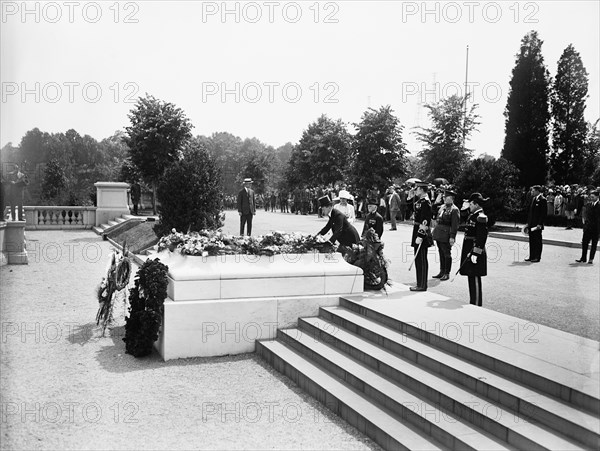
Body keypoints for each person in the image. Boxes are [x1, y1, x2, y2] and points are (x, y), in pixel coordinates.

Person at [459, 193, 489, 307]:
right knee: (470, 274)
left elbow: (482, 236)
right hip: (469, 247)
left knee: (475, 276)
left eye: (471, 204)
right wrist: (464, 207)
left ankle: (476, 303)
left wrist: (476, 252)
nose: (469, 206)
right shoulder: (473, 214)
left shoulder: (480, 216)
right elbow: (463, 218)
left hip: (474, 248)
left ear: (476, 204)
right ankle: (473, 301)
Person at [432, 190, 460, 281]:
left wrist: (452, 236)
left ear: (451, 199)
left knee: (446, 253)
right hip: (439, 233)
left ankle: (447, 273)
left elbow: (454, 225)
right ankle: (442, 271)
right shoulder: (443, 207)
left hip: (446, 234)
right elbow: (433, 212)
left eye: (446, 197)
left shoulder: (454, 210)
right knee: (441, 252)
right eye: (444, 197)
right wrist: (436, 202)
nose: (444, 199)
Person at [410, 182, 433, 292]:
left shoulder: (426, 202)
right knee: (418, 259)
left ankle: (422, 285)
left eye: (417, 189)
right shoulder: (420, 201)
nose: (416, 190)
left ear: (422, 189)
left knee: (422, 260)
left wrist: (420, 235)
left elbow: (425, 220)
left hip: (422, 232)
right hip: (417, 229)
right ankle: (419, 283)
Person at [576, 190, 600, 264]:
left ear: (597, 196)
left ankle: (591, 259)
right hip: (587, 228)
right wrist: (585, 225)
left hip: (596, 229)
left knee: (594, 244)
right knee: (584, 243)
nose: (591, 198)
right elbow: (586, 215)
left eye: (593, 197)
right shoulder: (589, 205)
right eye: (591, 197)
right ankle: (583, 258)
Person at [525, 185, 547, 263]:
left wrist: (540, 224)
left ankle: (537, 257)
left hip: (537, 225)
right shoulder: (533, 199)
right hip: (532, 224)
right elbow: (530, 213)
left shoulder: (543, 200)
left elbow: (543, 214)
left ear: (538, 191)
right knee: (532, 240)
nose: (532, 192)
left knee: (537, 240)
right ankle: (532, 256)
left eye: (533, 191)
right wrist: (528, 223)